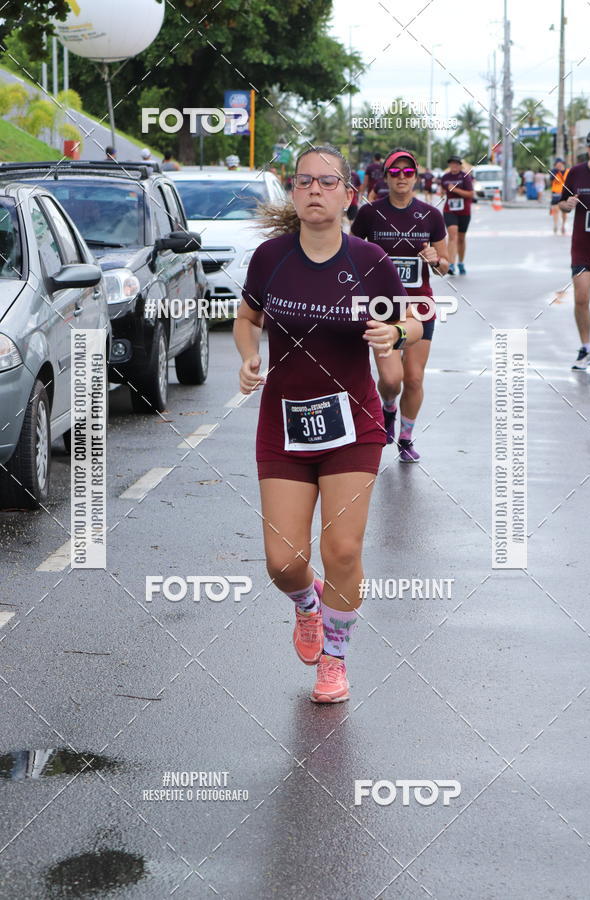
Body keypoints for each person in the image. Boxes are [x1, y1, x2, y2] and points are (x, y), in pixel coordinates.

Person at [234, 144, 422, 703]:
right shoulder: (271, 258)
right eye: (303, 182)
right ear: (293, 194)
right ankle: (308, 606)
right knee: (283, 561)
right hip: (284, 426)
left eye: (326, 181)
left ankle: (334, 661)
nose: (314, 190)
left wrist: (396, 335)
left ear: (348, 194)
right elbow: (247, 318)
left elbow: (407, 318)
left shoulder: (369, 261)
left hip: (353, 425)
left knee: (342, 550)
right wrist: (249, 356)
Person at [352, 148, 449, 461]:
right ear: (386, 177)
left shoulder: (431, 215)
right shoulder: (369, 214)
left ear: (416, 177)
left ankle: (406, 437)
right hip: (382, 306)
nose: (402, 178)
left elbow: (445, 263)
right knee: (391, 379)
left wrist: (437, 259)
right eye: (395, 172)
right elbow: (350, 252)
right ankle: (388, 407)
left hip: (420, 305)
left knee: (415, 377)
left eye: (408, 173)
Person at [559, 128, 590, 370]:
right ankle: (585, 349)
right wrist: (568, 204)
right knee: (582, 298)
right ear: (588, 149)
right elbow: (561, 204)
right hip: (583, 247)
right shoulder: (575, 173)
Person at [441, 155, 474, 275]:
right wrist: (443, 193)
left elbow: (470, 194)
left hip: (464, 211)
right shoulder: (445, 177)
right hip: (450, 210)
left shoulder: (465, 177)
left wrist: (455, 190)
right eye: (451, 164)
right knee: (452, 235)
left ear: (460, 165)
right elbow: (443, 191)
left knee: (461, 238)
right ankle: (451, 264)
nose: (454, 166)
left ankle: (460, 262)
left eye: (456, 164)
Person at [550, 159, 569, 234]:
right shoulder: (554, 172)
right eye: (557, 164)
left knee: (564, 212)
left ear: (563, 164)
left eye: (560, 164)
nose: (559, 166)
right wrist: (555, 172)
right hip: (556, 193)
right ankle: (555, 225)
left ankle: (563, 225)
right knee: (555, 210)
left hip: (565, 193)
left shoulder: (568, 171)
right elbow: (551, 180)